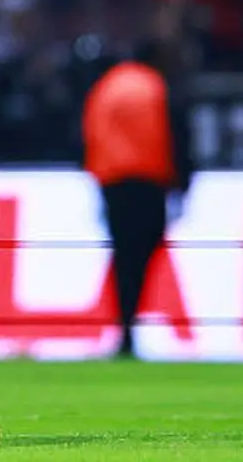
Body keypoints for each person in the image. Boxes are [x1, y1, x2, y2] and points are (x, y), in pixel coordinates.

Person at [81, 35, 194, 358]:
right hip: (148, 181)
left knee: (123, 255)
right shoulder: (157, 87)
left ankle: (125, 326)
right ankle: (130, 324)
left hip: (113, 182)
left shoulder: (107, 87)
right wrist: (183, 180)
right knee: (142, 255)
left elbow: (90, 134)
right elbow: (177, 135)